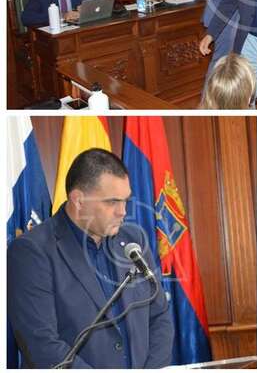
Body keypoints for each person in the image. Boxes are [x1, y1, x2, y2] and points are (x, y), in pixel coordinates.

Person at [8, 148, 174, 368]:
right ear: (78, 201)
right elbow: (42, 345)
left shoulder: (134, 240)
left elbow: (159, 317)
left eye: (125, 201)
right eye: (112, 202)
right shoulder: (32, 251)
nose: (122, 212)